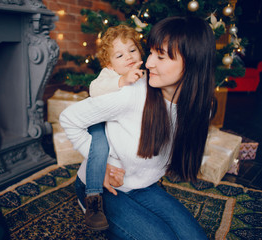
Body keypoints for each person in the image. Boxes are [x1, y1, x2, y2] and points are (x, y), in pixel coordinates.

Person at [60, 15, 215, 239]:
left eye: (160, 56)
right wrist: (99, 165)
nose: (148, 63)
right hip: (102, 187)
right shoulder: (131, 92)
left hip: (144, 186)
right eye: (151, 52)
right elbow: (69, 118)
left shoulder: (201, 108)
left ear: (192, 63)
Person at [82, 24, 145, 231]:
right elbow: (94, 89)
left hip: (121, 126)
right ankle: (92, 199)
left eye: (132, 50)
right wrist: (121, 80)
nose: (128, 57)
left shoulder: (144, 76)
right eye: (119, 55)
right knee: (100, 147)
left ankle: (144, 179)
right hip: (99, 120)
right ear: (110, 64)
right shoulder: (108, 75)